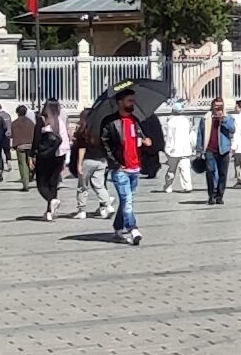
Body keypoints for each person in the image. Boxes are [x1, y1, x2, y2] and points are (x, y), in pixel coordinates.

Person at [97, 87, 152, 245]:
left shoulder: (134, 120)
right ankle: (133, 229)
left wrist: (146, 141)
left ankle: (117, 228)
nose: (132, 103)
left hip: (135, 167)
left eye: (133, 100)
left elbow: (140, 137)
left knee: (126, 200)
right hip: (120, 168)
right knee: (127, 200)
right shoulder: (110, 122)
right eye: (129, 100)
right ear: (120, 102)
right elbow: (105, 145)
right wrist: (115, 163)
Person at [71, 110, 114, 220]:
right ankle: (108, 205)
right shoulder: (100, 129)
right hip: (101, 160)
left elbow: (82, 148)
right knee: (99, 185)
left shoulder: (83, 130)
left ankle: (82, 210)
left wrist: (79, 164)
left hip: (88, 160)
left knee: (82, 186)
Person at [30, 99, 68, 221]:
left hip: (45, 155)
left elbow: (36, 140)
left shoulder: (42, 120)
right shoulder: (60, 121)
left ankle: (52, 201)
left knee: (41, 183)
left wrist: (32, 156)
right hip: (60, 154)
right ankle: (49, 212)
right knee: (53, 183)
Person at [195, 97, 236, 204]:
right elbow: (200, 134)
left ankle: (220, 195)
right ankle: (211, 195)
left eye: (220, 106)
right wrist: (199, 150)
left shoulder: (228, 117)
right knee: (210, 172)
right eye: (216, 105)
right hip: (210, 149)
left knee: (223, 174)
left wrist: (223, 120)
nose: (218, 108)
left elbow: (233, 129)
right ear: (212, 106)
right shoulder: (206, 118)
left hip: (224, 149)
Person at [159, 100, 196, 194]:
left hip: (174, 150)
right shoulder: (187, 121)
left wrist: (167, 149)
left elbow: (169, 137)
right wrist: (193, 145)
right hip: (186, 149)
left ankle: (168, 186)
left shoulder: (171, 122)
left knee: (171, 169)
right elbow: (191, 134)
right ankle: (187, 186)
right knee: (185, 169)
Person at [11, 105, 36, 192]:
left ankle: (25, 183)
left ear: (17, 112)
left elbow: (12, 134)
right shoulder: (31, 122)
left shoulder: (14, 123)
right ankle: (30, 175)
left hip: (20, 145)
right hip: (30, 145)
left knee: (22, 164)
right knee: (30, 162)